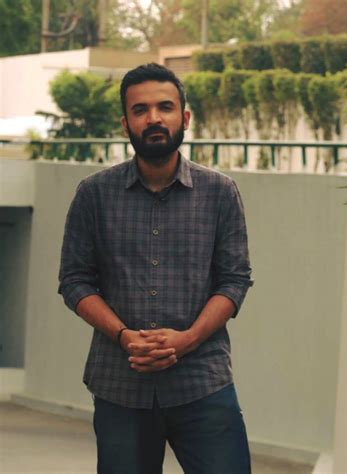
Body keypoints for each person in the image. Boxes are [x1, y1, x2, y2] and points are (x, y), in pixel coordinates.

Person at [58, 63, 253, 474]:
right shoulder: (93, 194)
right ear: (125, 124)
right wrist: (124, 335)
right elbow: (74, 281)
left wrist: (188, 339)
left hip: (203, 382)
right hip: (119, 385)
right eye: (140, 110)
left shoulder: (220, 192)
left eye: (165, 107)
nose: (154, 119)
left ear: (185, 117)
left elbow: (234, 280)